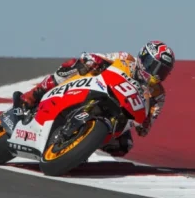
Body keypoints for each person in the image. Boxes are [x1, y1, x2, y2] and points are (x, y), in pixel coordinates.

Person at [17, 40, 175, 158]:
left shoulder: (158, 94)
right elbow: (95, 57)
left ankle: (78, 146)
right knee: (75, 64)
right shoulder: (126, 58)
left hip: (120, 113)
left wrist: (146, 116)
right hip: (97, 87)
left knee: (124, 146)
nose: (156, 74)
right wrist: (94, 60)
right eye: (154, 66)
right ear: (143, 57)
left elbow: (144, 130)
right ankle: (34, 95)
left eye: (162, 72)